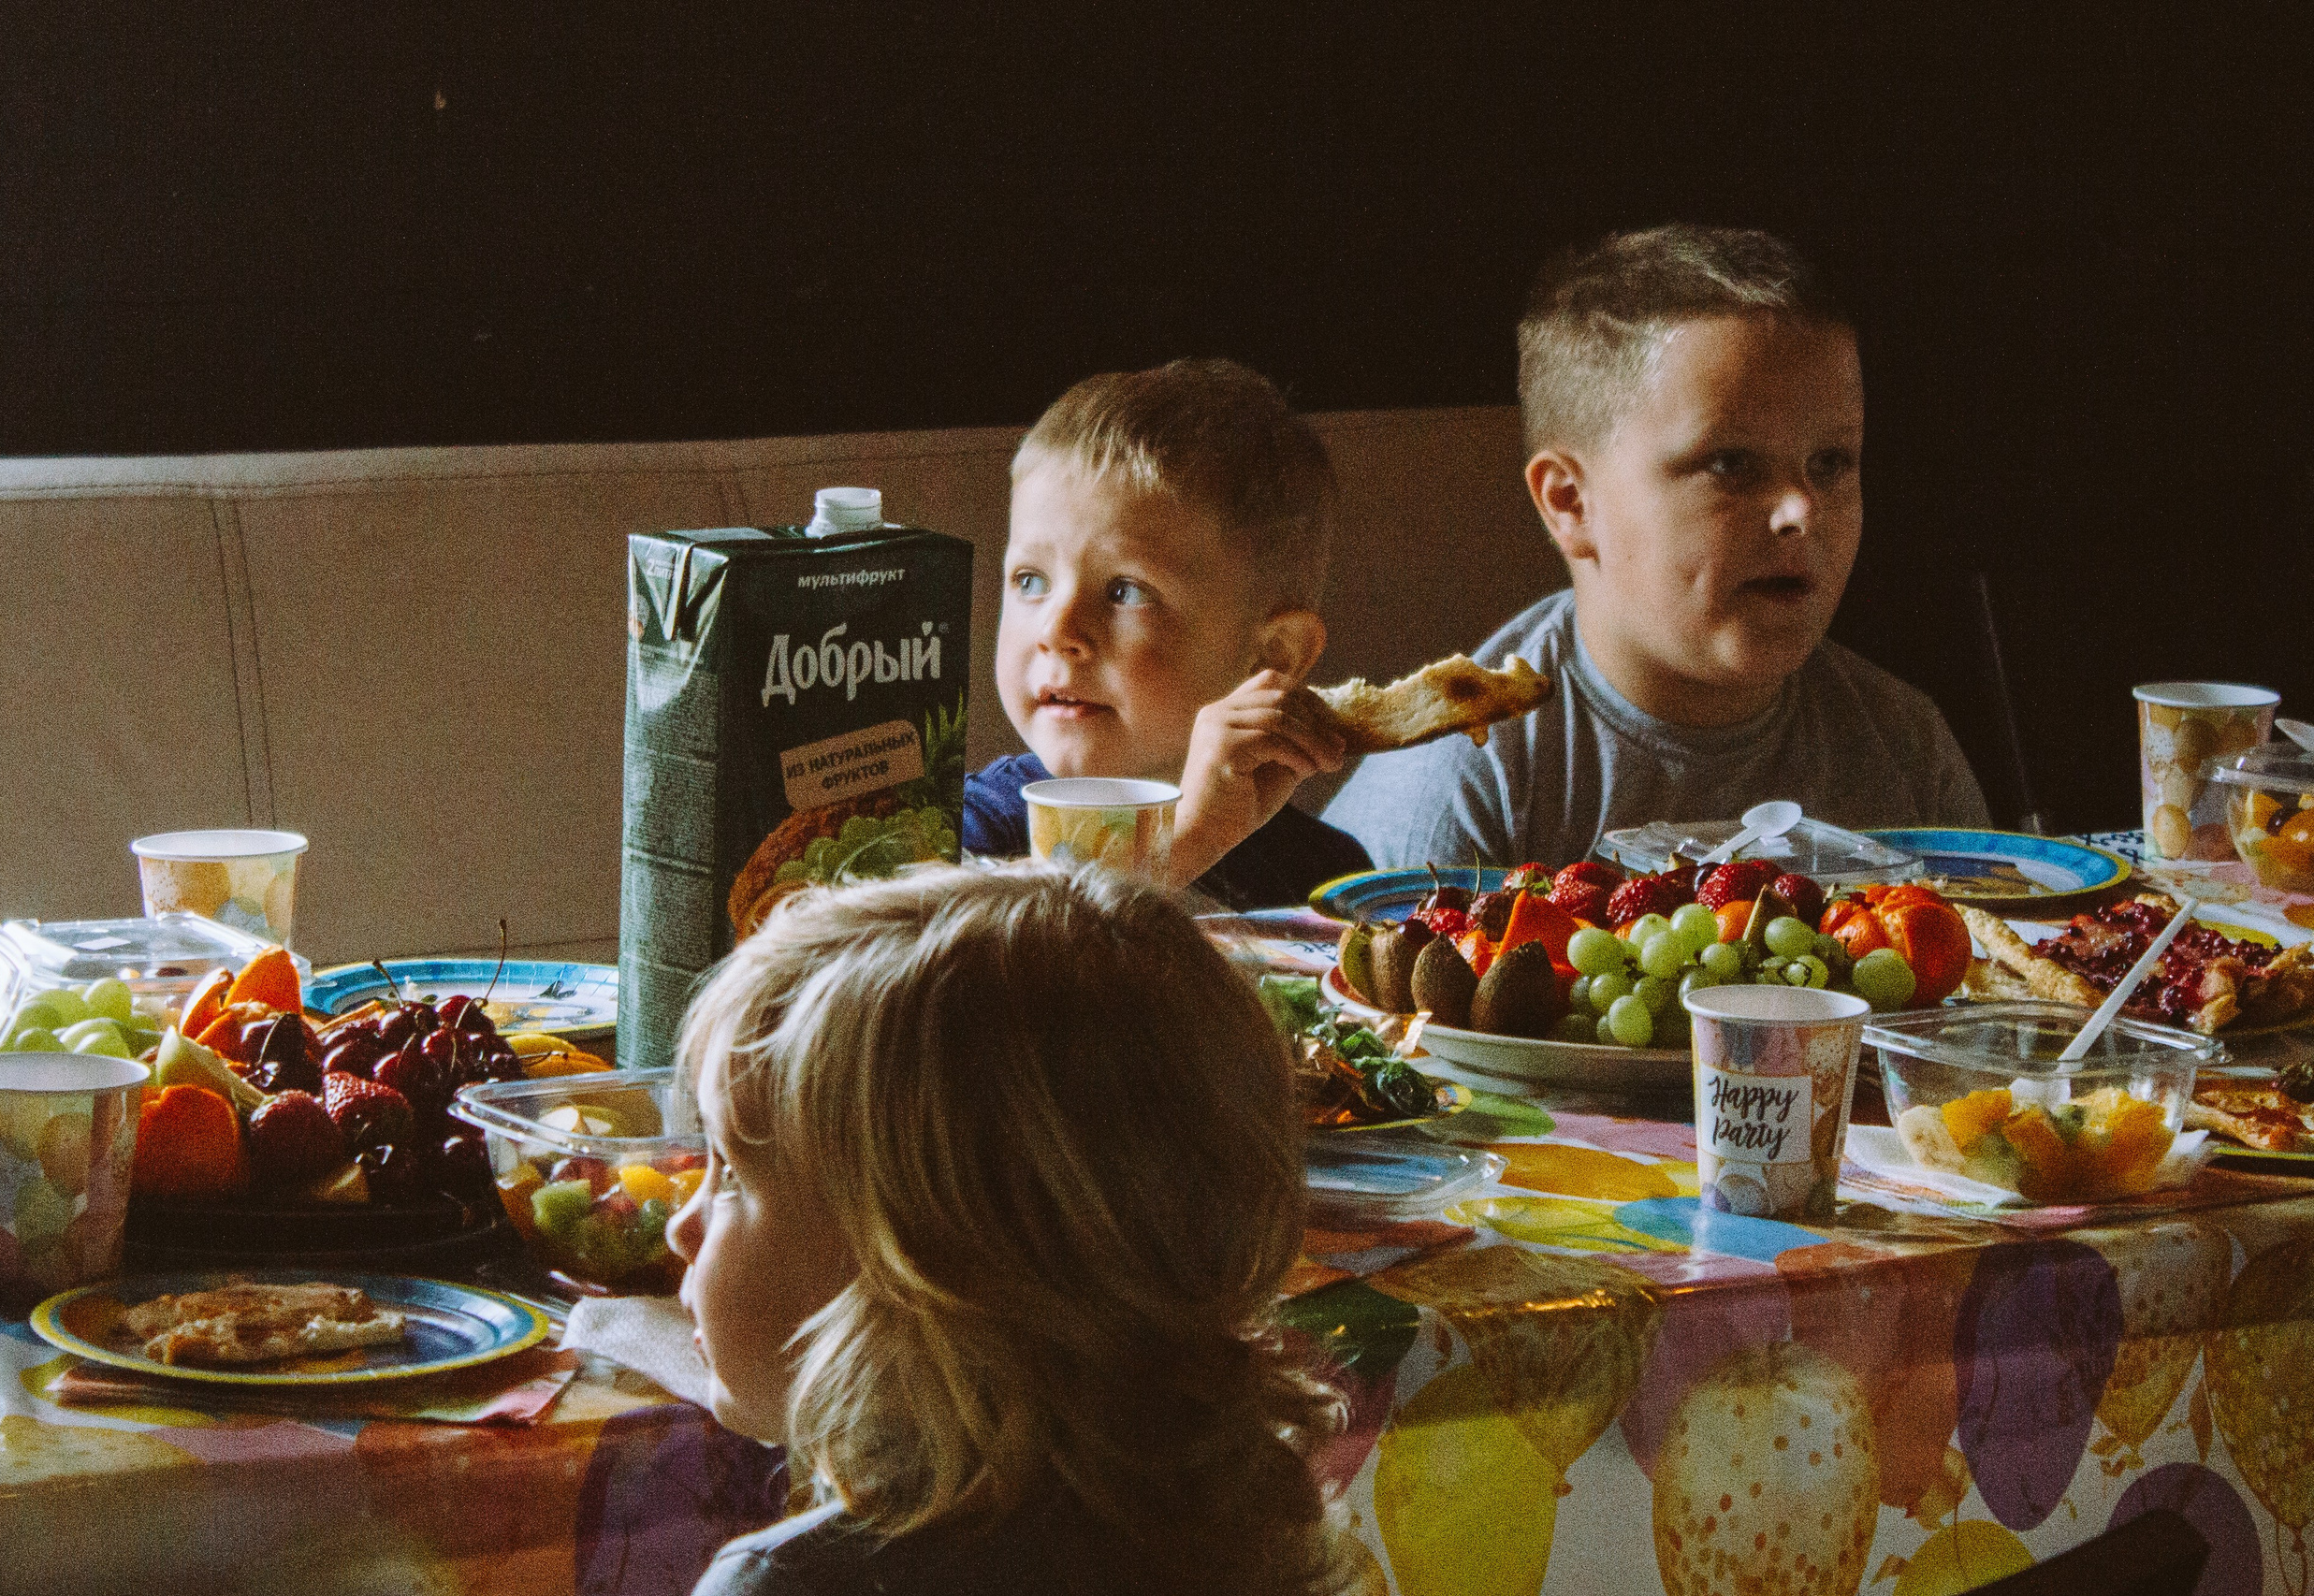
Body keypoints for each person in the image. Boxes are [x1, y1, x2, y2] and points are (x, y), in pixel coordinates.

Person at [666, 863, 1353, 1596]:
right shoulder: (1244, 1508)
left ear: (927, 1273)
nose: (682, 1226)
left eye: (734, 1175)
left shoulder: (783, 1588)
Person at [1326, 224, 1990, 870]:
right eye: (1731, 464)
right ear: (1570, 503)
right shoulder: (1461, 790)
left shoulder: (1906, 749)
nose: (1800, 510)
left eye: (1832, 462)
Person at [963, 359, 1373, 908]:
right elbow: (962, 979)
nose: (1056, 630)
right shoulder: (971, 835)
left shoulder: (1326, 879)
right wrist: (1183, 844)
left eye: (1125, 591)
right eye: (1030, 580)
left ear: (1272, 655)